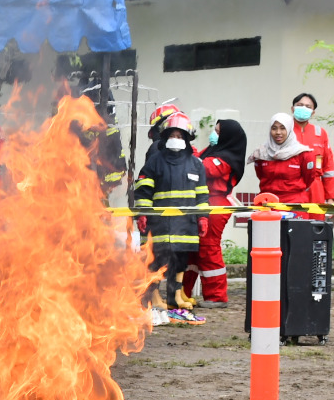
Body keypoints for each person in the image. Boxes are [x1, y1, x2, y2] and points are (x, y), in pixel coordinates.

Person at [133, 105, 207, 325]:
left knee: (179, 264)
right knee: (156, 264)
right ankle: (154, 300)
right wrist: (143, 215)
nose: (176, 138)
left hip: (186, 227)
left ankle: (175, 300)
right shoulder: (155, 161)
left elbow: (202, 194)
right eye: (172, 135)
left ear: (186, 138)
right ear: (165, 137)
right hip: (161, 226)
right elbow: (144, 190)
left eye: (180, 135)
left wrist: (203, 217)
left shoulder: (196, 164)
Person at [182, 118, 246, 307]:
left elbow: (201, 167)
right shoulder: (212, 152)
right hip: (203, 204)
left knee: (208, 248)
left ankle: (217, 296)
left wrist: (187, 149)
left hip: (216, 206)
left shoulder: (226, 158)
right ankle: (183, 292)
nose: (214, 134)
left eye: (218, 132)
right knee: (192, 250)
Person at [250, 114, 319, 204]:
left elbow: (309, 178)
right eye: (274, 128)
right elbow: (260, 175)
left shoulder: (303, 153)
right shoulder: (261, 153)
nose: (278, 132)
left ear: (290, 129)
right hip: (267, 202)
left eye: (283, 128)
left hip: (295, 203)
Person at [291, 93, 334, 203]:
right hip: (291, 185)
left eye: (308, 107)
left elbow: (328, 166)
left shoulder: (320, 133)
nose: (303, 108)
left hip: (315, 187)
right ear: (293, 109)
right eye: (300, 105)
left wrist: (330, 197)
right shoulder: (284, 131)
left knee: (316, 219)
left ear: (313, 112)